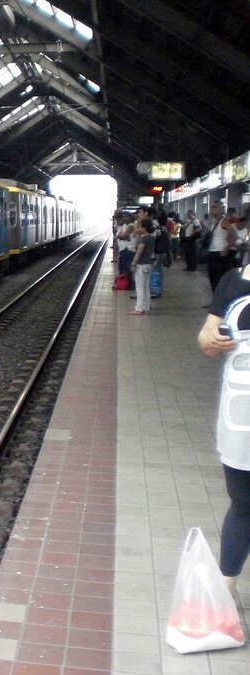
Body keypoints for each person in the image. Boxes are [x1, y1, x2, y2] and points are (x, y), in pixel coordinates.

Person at [197, 262, 250, 595]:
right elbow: (206, 338)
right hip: (240, 424)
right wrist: (211, 341)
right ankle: (223, 593)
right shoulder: (232, 282)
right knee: (243, 504)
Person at [206, 201, 237, 292]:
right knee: (213, 278)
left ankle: (221, 302)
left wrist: (226, 248)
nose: (212, 209)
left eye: (214, 207)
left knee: (219, 279)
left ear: (220, 209)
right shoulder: (214, 221)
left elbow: (234, 236)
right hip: (212, 252)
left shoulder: (223, 221)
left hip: (220, 254)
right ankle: (216, 301)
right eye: (211, 207)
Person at [129, 218, 154, 315]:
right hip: (148, 265)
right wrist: (139, 233)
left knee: (139, 288)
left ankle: (138, 309)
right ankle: (146, 307)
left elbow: (139, 250)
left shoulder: (144, 239)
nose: (138, 228)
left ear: (144, 228)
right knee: (146, 287)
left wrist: (133, 263)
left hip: (141, 265)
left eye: (140, 226)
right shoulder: (151, 238)